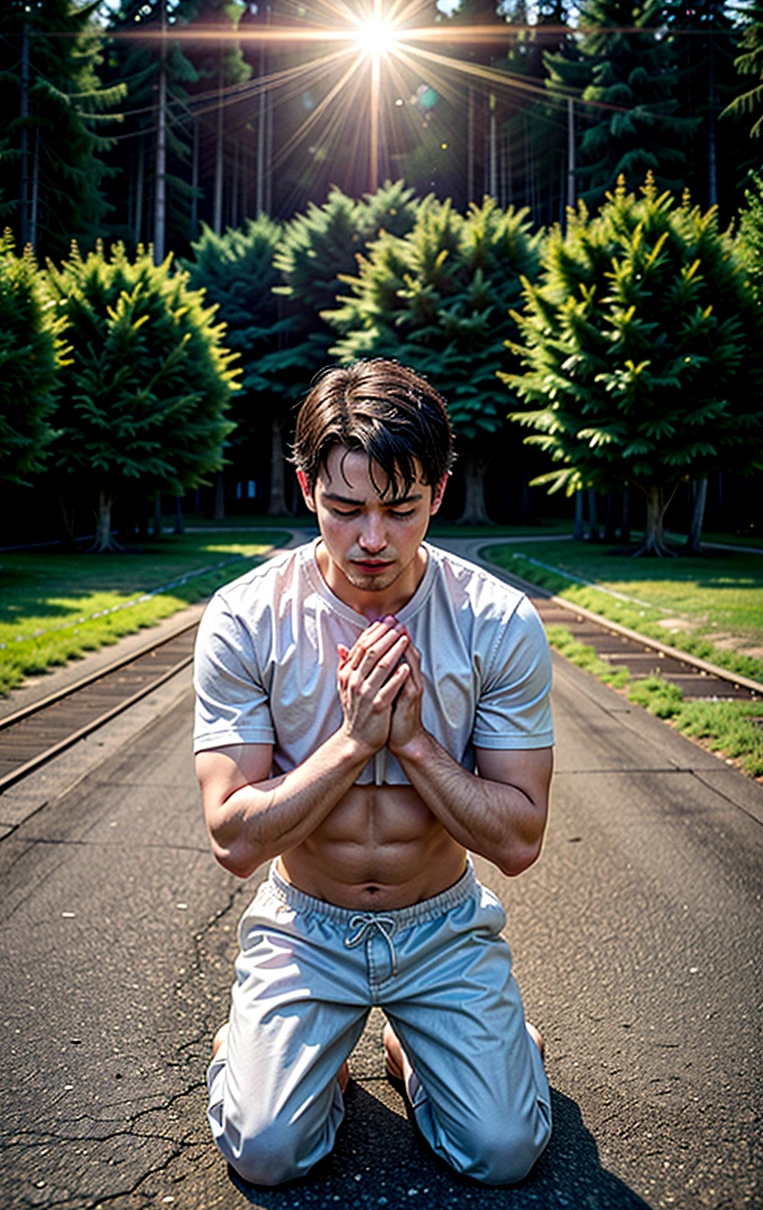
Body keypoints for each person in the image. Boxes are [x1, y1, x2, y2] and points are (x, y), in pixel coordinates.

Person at [193, 358, 554, 1187]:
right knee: (267, 1152)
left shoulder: (496, 621)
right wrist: (355, 742)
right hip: (305, 923)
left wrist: (418, 743)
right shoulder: (247, 617)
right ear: (305, 487)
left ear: (440, 490)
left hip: (441, 924)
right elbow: (234, 842)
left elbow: (522, 840)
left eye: (400, 509)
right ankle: (260, 1051)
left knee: (504, 1153)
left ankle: (424, 1048)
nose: (371, 540)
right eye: (346, 508)